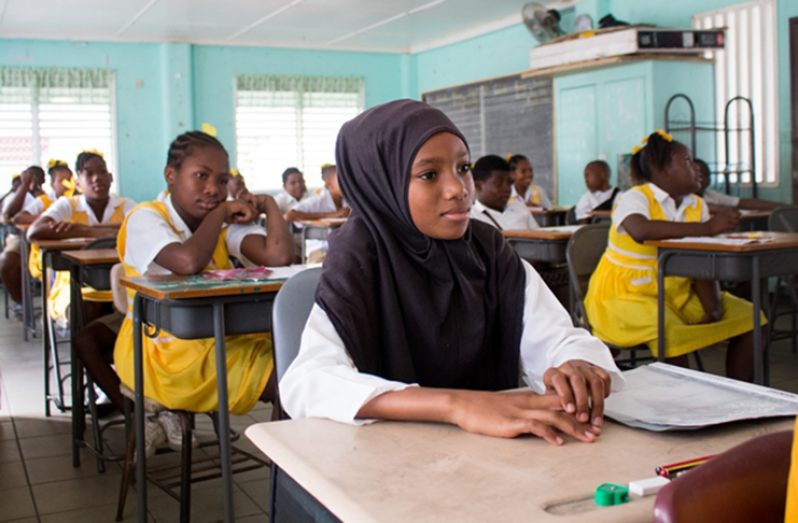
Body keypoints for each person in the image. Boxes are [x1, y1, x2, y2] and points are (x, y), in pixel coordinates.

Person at [280, 100, 624, 443]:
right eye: (429, 175)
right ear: (382, 183)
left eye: (463, 168)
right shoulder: (358, 257)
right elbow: (309, 381)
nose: (459, 189)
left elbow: (556, 337)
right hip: (386, 463)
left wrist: (574, 365)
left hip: (490, 456)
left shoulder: (488, 251)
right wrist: (455, 405)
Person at [112, 130, 293, 455]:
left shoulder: (222, 223)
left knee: (301, 365)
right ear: (171, 176)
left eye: (222, 181)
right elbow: (187, 260)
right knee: (290, 380)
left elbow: (279, 258)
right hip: (159, 355)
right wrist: (220, 213)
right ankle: (288, 481)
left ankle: (291, 476)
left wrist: (269, 204)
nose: (213, 189)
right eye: (201, 176)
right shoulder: (146, 217)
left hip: (218, 339)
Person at [583, 130, 763, 382]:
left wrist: (713, 308)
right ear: (663, 169)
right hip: (625, 295)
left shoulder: (696, 205)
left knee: (751, 317)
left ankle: (742, 396)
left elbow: (702, 262)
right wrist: (709, 228)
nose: (697, 168)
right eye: (688, 161)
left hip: (676, 292)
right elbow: (640, 230)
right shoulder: (634, 197)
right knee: (668, 329)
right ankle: (683, 409)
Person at [28, 151, 137, 330]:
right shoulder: (67, 205)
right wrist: (112, 231)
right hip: (75, 286)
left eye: (102, 172)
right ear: (77, 181)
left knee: (139, 312)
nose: (97, 179)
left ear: (110, 178)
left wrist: (85, 230)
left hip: (121, 283)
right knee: (84, 312)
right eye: (89, 174)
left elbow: (140, 228)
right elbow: (34, 231)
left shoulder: (125, 204)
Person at [14, 160, 74, 281]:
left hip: (70, 248)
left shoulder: (76, 201)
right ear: (52, 184)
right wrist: (49, 216)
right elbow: (19, 218)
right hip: (44, 254)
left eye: (69, 179)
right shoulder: (44, 200)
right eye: (61, 181)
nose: (66, 184)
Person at [0, 166, 46, 311]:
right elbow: (8, 214)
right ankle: (20, 302)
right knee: (7, 263)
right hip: (20, 239)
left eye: (38, 176)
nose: (35, 180)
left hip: (43, 238)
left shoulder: (46, 196)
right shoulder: (16, 195)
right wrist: (24, 186)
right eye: (31, 177)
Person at [469, 155, 538, 230]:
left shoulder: (520, 208)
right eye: (499, 184)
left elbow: (540, 237)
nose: (507, 189)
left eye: (509, 183)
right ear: (478, 186)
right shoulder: (471, 217)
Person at [694, 159, 786, 212]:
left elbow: (741, 202)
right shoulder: (682, 198)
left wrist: (784, 206)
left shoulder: (711, 195)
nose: (700, 178)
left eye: (705, 174)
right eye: (696, 174)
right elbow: (702, 206)